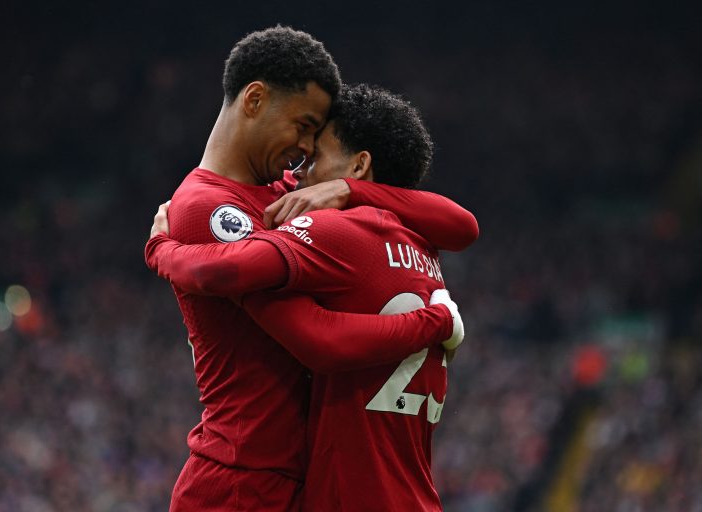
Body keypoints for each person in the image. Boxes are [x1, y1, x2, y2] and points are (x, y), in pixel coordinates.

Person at [157, 25, 478, 511]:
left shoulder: (289, 193)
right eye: (304, 125)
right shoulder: (206, 208)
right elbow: (314, 338)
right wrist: (162, 250)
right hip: (242, 482)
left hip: (299, 481)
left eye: (316, 135)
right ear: (255, 99)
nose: (307, 148)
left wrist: (353, 189)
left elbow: (460, 225)